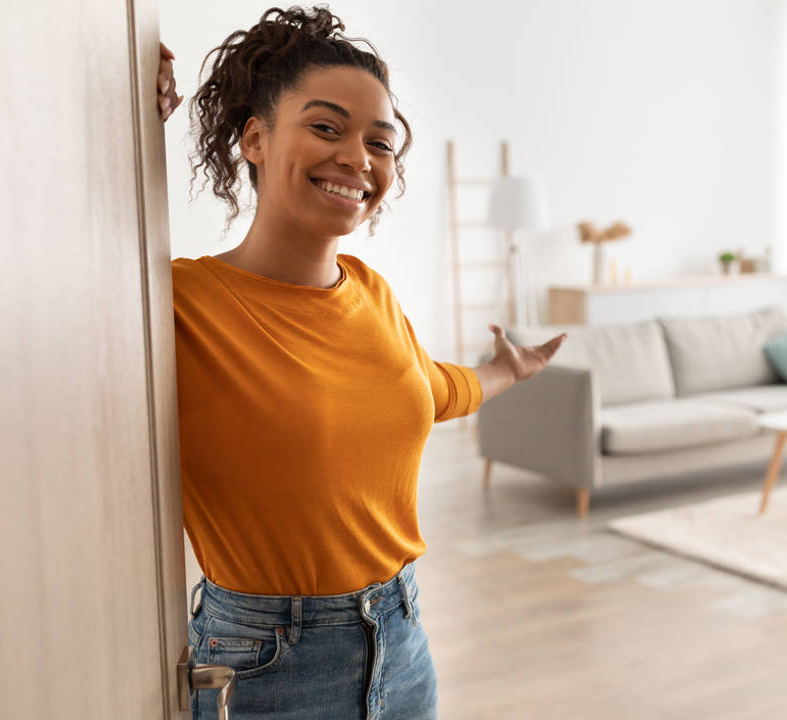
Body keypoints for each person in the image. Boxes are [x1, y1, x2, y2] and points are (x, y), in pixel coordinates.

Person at [155, 7, 567, 718]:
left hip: (402, 639)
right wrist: (112, 109)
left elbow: (429, 391)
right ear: (255, 137)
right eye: (326, 128)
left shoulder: (371, 291)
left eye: (379, 141)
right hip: (265, 664)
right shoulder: (180, 302)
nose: (358, 158)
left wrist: (507, 372)